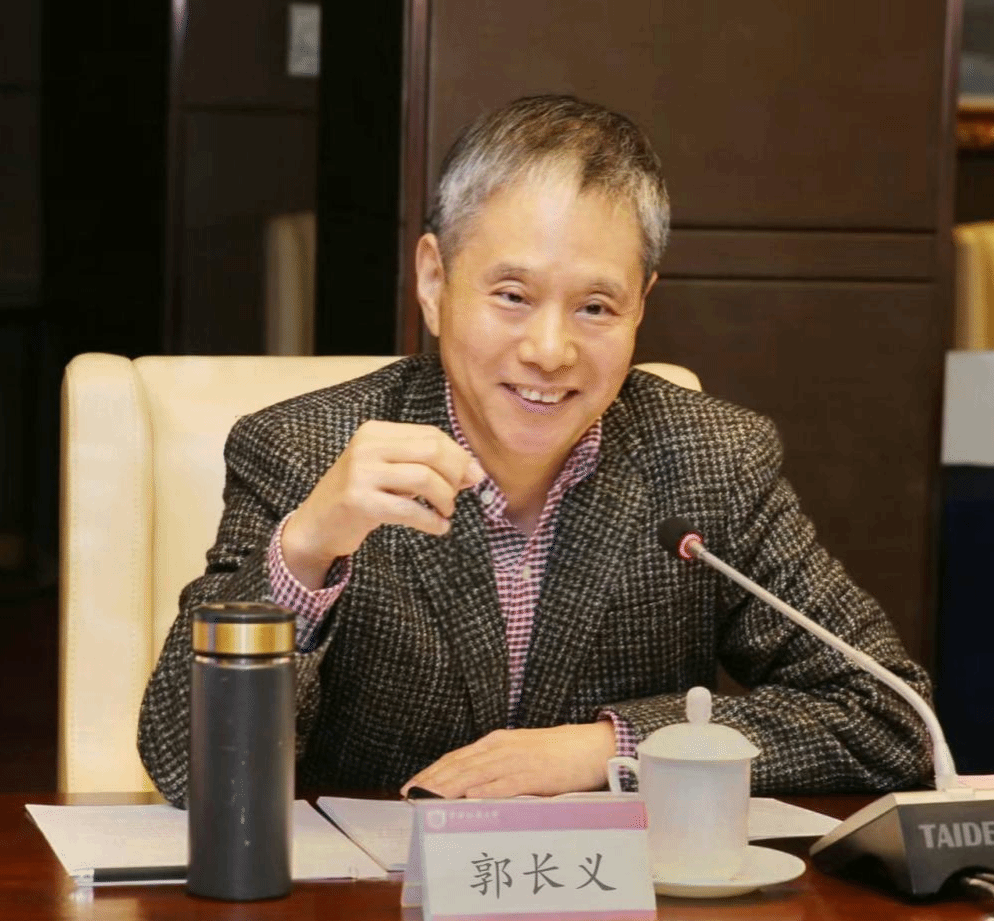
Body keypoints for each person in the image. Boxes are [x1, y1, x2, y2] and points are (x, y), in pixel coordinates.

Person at [138, 94, 932, 807]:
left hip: (615, 902)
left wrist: (609, 748)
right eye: (512, 296)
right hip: (370, 902)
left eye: (596, 307)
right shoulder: (303, 450)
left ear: (641, 307)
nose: (550, 351)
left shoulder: (710, 461)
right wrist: (305, 553)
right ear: (433, 281)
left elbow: (892, 717)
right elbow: (185, 767)